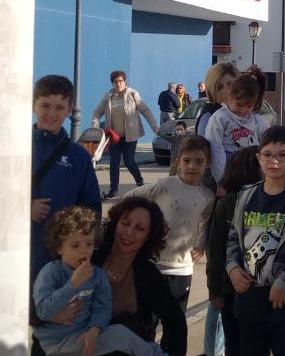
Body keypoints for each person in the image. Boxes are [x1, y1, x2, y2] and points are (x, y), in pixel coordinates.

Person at [225, 126, 285, 356]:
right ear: (258, 157)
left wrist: (284, 282)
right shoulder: (245, 196)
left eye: (282, 155)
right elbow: (233, 240)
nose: (274, 161)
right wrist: (233, 269)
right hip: (249, 299)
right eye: (267, 154)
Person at [33, 207, 164, 356]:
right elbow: (42, 311)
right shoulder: (50, 272)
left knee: (119, 334)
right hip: (57, 342)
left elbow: (102, 308)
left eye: (89, 244)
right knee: (120, 335)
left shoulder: (97, 275)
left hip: (86, 337)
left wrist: (95, 330)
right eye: (75, 245)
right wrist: (72, 285)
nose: (84, 251)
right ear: (59, 248)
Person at [123, 135, 216, 321]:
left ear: (208, 163)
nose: (192, 166)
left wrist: (199, 246)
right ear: (178, 161)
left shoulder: (207, 196)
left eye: (199, 161)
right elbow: (131, 197)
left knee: (176, 321)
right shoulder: (165, 186)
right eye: (187, 161)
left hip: (182, 267)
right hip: (153, 263)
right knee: (147, 320)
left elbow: (204, 223)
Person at [93, 198, 188, 355]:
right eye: (125, 223)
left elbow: (175, 322)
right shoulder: (89, 261)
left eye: (139, 228)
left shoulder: (149, 275)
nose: (129, 232)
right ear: (115, 222)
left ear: (149, 236)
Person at [31, 75, 102, 282]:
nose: (51, 114)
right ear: (33, 105)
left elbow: (92, 210)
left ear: (70, 110)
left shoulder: (78, 157)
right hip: (20, 257)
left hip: (62, 266)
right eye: (45, 105)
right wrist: (23, 209)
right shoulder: (16, 148)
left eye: (59, 107)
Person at [206, 148, 263, 356]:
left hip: (257, 290)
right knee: (236, 341)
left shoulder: (269, 201)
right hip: (232, 289)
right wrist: (215, 287)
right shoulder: (227, 203)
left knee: (245, 343)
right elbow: (215, 247)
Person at [91, 70, 160, 199]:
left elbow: (145, 110)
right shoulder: (108, 97)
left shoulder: (133, 94)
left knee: (129, 161)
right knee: (114, 163)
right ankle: (113, 189)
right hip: (114, 137)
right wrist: (95, 128)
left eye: (121, 81)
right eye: (115, 81)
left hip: (130, 135)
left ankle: (139, 181)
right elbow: (96, 113)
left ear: (125, 81)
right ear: (112, 83)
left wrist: (155, 127)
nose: (118, 84)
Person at [205, 67, 270, 187]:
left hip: (252, 165)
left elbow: (268, 139)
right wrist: (220, 180)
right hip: (229, 166)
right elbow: (215, 148)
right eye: (239, 105)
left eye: (249, 106)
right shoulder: (219, 118)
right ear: (229, 96)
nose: (244, 110)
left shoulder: (255, 120)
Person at [197, 62, 240, 138]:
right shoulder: (209, 117)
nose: (226, 90)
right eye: (219, 87)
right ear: (212, 90)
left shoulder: (244, 111)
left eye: (230, 84)